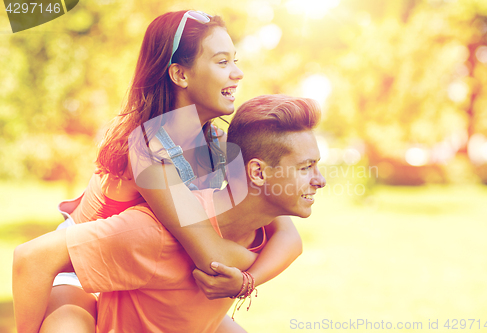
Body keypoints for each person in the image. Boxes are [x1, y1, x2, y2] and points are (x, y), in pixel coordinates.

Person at [30, 10, 301, 333]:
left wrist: (246, 280)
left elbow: (287, 236)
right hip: (81, 270)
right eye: (222, 62)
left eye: (235, 60)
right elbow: (210, 257)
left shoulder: (216, 142)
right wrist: (247, 264)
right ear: (180, 75)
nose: (238, 73)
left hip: (145, 278)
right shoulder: (147, 148)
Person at [13, 94, 326, 333]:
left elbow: (290, 241)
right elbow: (31, 258)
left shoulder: (262, 230)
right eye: (305, 167)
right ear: (257, 173)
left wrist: (246, 281)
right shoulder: (154, 235)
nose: (320, 180)